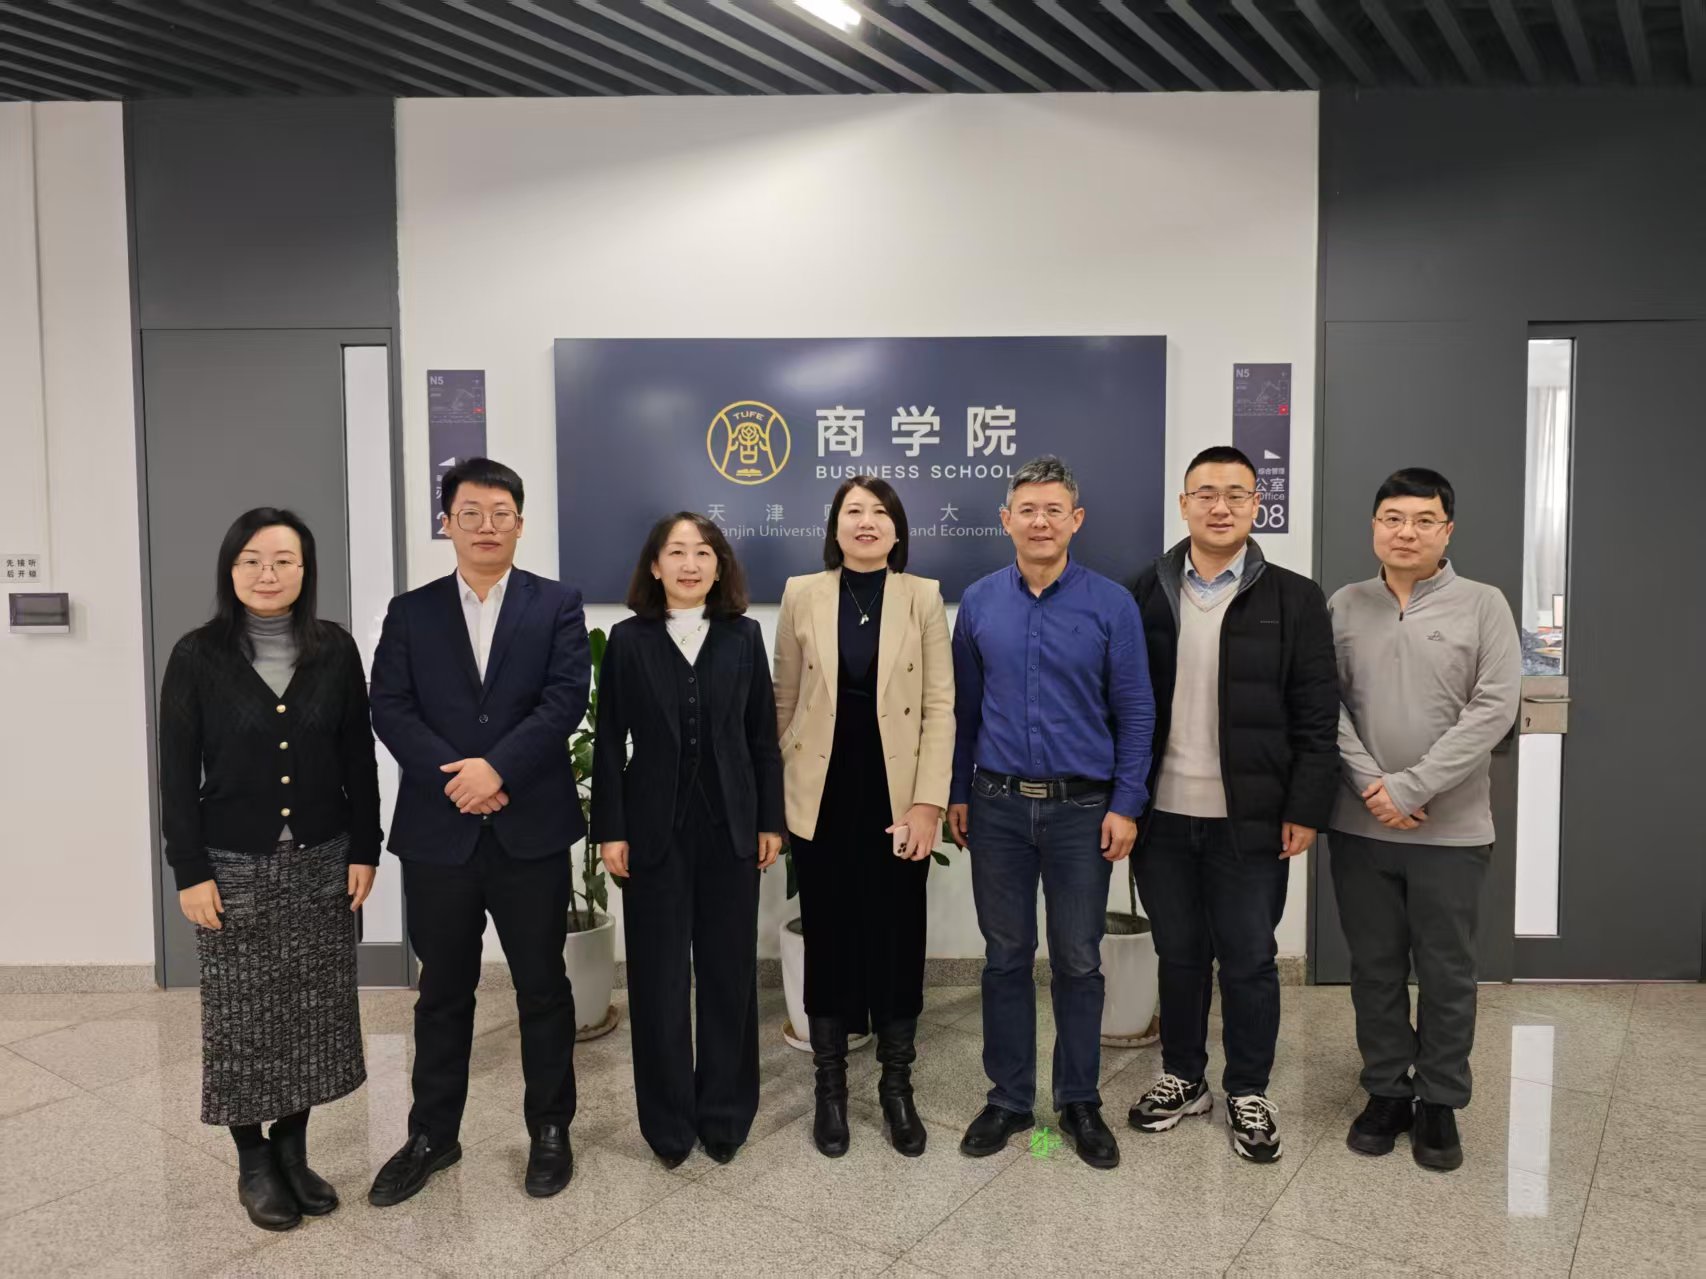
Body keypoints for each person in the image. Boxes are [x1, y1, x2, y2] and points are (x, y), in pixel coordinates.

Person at [367, 457, 591, 1204]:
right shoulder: (411, 611)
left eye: (501, 513)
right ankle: (433, 1134)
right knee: (442, 992)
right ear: (448, 523)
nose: (486, 525)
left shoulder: (556, 604)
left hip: (531, 830)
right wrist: (457, 778)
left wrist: (497, 769)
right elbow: (390, 706)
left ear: (520, 523)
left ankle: (550, 1128)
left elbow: (564, 698)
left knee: (543, 987)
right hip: (441, 834)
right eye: (471, 512)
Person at [158, 508, 380, 1232]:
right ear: (230, 569)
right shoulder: (197, 655)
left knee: (311, 1012)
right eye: (252, 560)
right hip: (232, 863)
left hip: (323, 856)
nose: (267, 574)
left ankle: (293, 1149)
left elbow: (358, 757)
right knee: (243, 1016)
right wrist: (189, 869)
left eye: (284, 560)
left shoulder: (335, 649)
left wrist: (366, 847)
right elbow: (176, 774)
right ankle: (253, 1161)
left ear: (305, 571)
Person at [1127, 446, 1340, 1164]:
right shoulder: (1143, 593)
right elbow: (1118, 707)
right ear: (1183, 503)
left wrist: (1305, 805)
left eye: (1236, 494)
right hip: (1162, 813)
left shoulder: (1295, 598)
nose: (1220, 507)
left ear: (1257, 505)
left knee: (1249, 958)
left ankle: (1248, 1087)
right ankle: (1184, 1076)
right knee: (1179, 952)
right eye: (1206, 493)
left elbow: (1317, 714)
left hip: (1252, 816)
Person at [948, 455, 1154, 1171]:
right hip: (998, 806)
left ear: (1076, 519)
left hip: (1082, 811)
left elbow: (1136, 710)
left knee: (1078, 958)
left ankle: (1077, 1101)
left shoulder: (1111, 605)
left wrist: (1127, 802)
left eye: (1054, 510)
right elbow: (964, 712)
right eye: (1027, 510)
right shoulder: (979, 602)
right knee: (1005, 956)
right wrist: (957, 792)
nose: (1041, 522)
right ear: (1006, 520)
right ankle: (1009, 1099)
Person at [1329, 468, 1520, 1172]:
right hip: (1361, 826)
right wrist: (1372, 786)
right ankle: (1387, 1089)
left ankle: (1440, 1098)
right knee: (1374, 968)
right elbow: (1324, 704)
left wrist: (1411, 787)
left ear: (1447, 529)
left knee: (1446, 972)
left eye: (1423, 520)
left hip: (1452, 831)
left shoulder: (1484, 604)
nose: (1405, 532)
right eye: (1392, 518)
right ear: (1374, 526)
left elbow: (1494, 709)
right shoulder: (1344, 604)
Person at [590, 513, 784, 1169]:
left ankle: (725, 1113)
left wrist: (770, 820)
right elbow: (609, 741)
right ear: (655, 566)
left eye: (704, 552)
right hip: (653, 831)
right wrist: (610, 830)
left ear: (719, 565)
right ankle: (668, 1124)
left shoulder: (744, 635)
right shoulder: (628, 640)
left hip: (731, 827)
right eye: (676, 552)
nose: (690, 563)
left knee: (730, 976)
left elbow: (762, 739)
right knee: (658, 980)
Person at [772, 477, 954, 1159]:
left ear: (897, 530)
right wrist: (780, 795)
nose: (867, 520)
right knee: (828, 937)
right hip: (820, 795)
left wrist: (928, 803)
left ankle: (897, 1086)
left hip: (897, 798)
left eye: (880, 511)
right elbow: (783, 698)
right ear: (836, 526)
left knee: (898, 937)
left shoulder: (922, 596)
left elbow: (940, 706)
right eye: (854, 510)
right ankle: (830, 1089)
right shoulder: (802, 593)